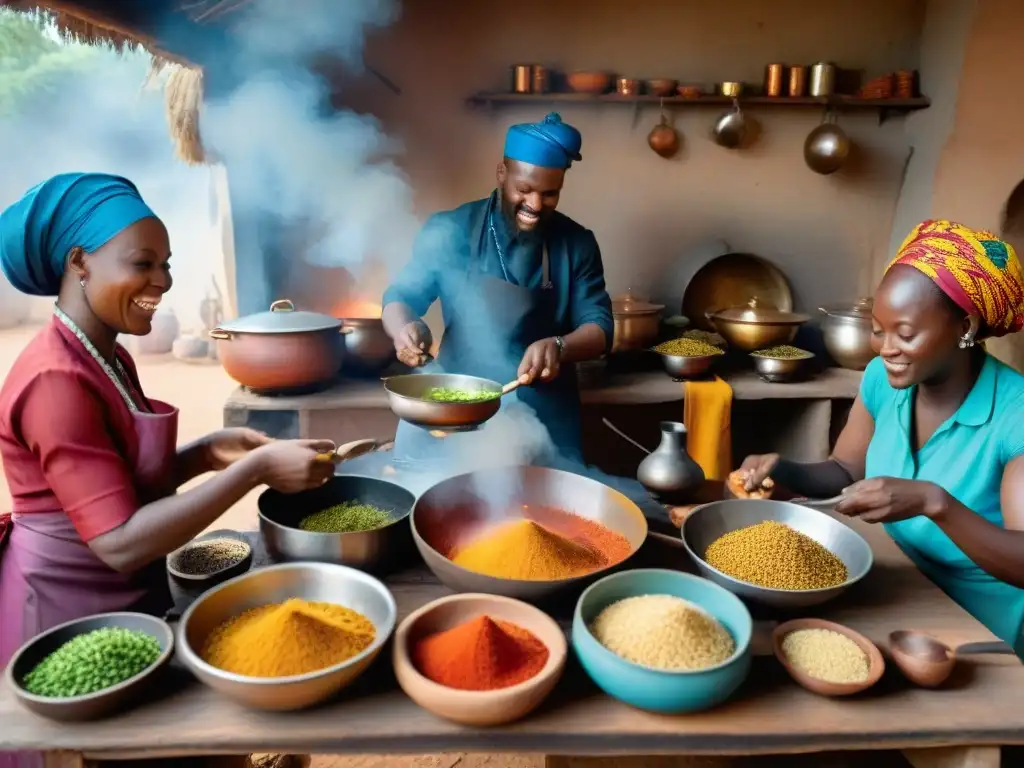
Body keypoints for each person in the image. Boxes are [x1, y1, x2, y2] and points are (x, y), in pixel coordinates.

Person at [0, 174, 333, 768]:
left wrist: (206, 453)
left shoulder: (105, 351)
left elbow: (115, 483)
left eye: (167, 263)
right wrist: (252, 469)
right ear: (80, 261)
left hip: (126, 595)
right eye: (144, 263)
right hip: (72, 606)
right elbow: (120, 540)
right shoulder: (55, 379)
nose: (163, 281)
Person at [740, 220, 1024, 654]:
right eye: (878, 329)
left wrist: (934, 502)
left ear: (964, 327)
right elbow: (844, 469)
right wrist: (785, 471)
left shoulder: (1014, 414)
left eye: (906, 335)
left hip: (981, 630)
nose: (885, 348)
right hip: (901, 584)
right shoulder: (881, 380)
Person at [380, 112, 613, 463]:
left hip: (542, 414)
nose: (535, 205)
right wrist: (403, 330)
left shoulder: (576, 243)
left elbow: (600, 327)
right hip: (452, 406)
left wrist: (559, 345)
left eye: (550, 194)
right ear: (502, 174)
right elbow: (400, 297)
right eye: (525, 190)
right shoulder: (451, 228)